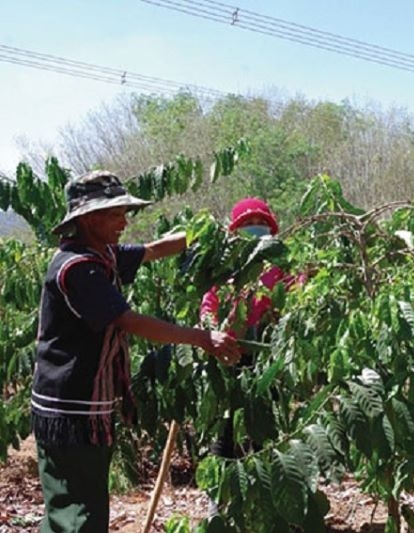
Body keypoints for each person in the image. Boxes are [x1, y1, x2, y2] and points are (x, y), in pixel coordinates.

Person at [32, 170, 241, 532]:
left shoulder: (101, 255)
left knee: (71, 504)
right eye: (115, 215)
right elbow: (128, 320)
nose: (124, 222)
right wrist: (203, 338)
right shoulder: (78, 268)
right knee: (79, 515)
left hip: (81, 406)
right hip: (70, 411)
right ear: (88, 218)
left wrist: (212, 235)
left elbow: (155, 249)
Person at [200, 197, 301, 458]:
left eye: (260, 223)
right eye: (248, 223)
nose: (256, 228)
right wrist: (210, 328)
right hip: (231, 349)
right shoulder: (226, 266)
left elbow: (297, 294)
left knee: (262, 418)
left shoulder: (279, 264)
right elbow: (209, 302)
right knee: (227, 421)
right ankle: (221, 485)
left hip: (267, 351)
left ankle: (258, 483)